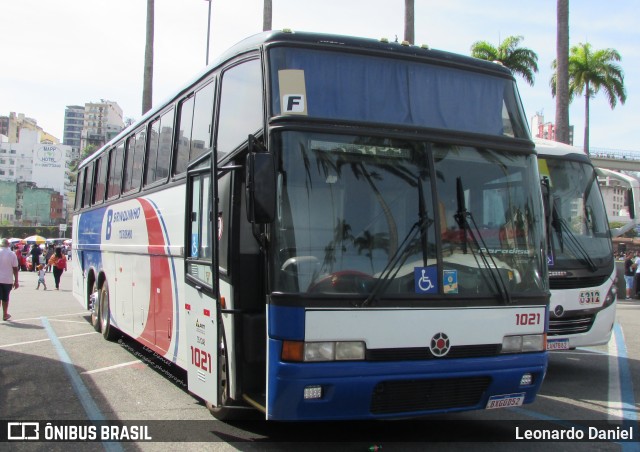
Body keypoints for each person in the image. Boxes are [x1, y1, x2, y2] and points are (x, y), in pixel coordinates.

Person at [0, 238, 19, 321]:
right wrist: (16, 281)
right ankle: (5, 314)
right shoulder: (12, 254)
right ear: (8, 245)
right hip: (7, 279)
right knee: (5, 297)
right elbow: (15, 268)